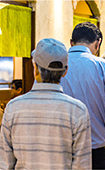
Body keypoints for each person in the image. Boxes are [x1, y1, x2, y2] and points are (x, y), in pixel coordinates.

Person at [0, 38, 91, 169]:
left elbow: (5, 163)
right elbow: (82, 166)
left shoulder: (14, 107)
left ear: (36, 70)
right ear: (65, 71)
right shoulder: (78, 110)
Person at [60, 22, 105, 169]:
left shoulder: (55, 65)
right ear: (97, 44)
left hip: (59, 152)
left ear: (71, 42)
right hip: (95, 153)